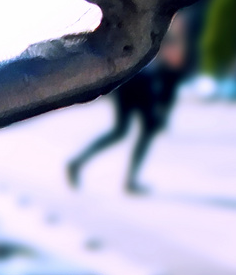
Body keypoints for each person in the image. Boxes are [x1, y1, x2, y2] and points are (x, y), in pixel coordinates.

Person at [66, 14, 188, 194]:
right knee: (125, 131)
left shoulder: (171, 38)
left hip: (140, 84)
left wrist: (163, 110)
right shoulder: (158, 27)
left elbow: (171, 79)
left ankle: (121, 177)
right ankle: (82, 165)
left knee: (136, 130)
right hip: (131, 82)